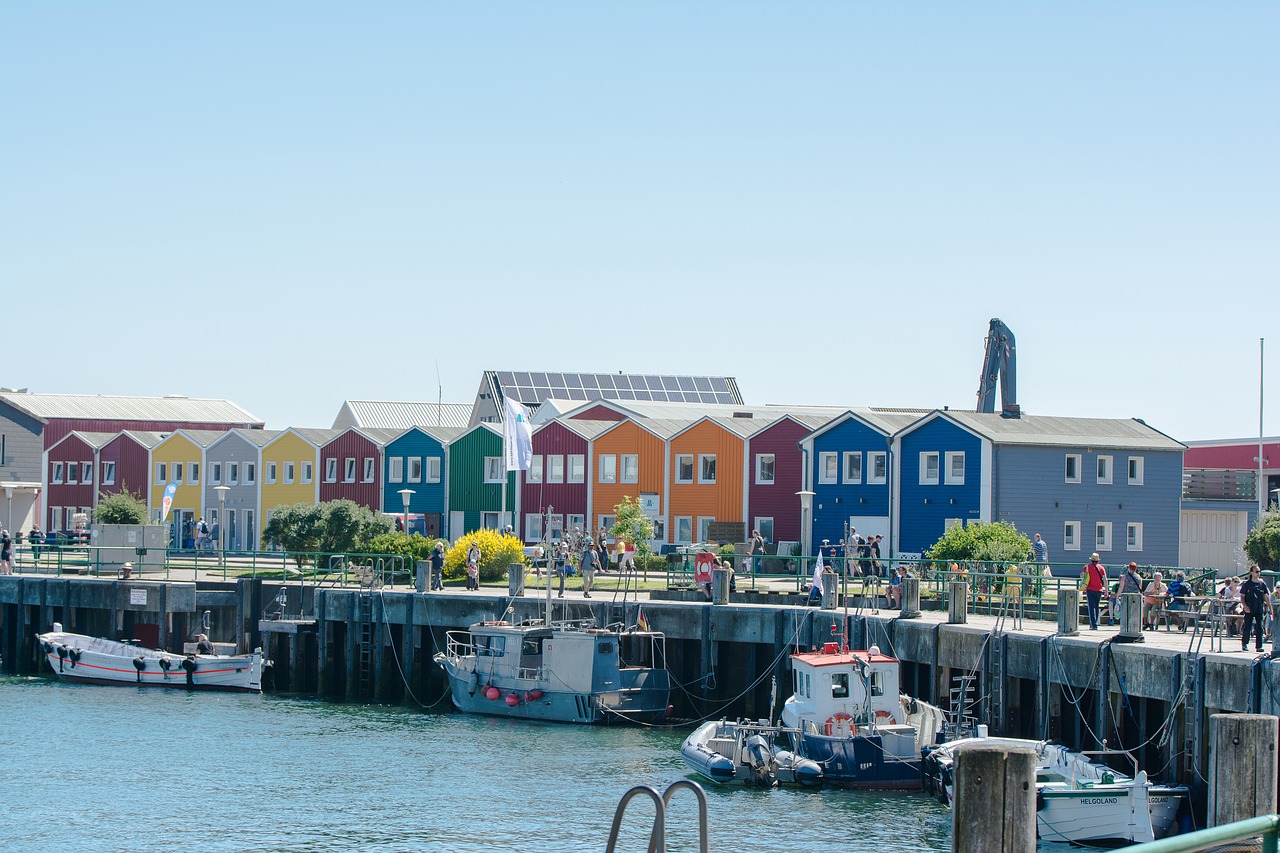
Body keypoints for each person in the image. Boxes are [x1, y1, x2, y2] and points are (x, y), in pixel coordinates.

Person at [1240, 565, 1273, 652]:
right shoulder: (1246, 584)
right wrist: (1245, 606)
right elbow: (1242, 597)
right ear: (1252, 573)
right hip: (1249, 608)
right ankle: (1245, 643)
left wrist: (1270, 607)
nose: (1258, 573)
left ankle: (1259, 646)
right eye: (1256, 572)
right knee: (1247, 627)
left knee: (1259, 627)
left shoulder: (1262, 584)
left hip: (1259, 608)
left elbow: (1266, 596)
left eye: (1259, 572)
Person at [1081, 553, 1107, 631]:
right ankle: (1094, 623)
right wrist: (1106, 591)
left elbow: (1082, 576)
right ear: (1098, 560)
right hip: (1099, 590)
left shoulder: (1087, 567)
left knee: (1091, 607)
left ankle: (1093, 624)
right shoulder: (1101, 568)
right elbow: (1105, 579)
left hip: (1090, 589)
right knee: (1096, 606)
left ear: (1091, 559)